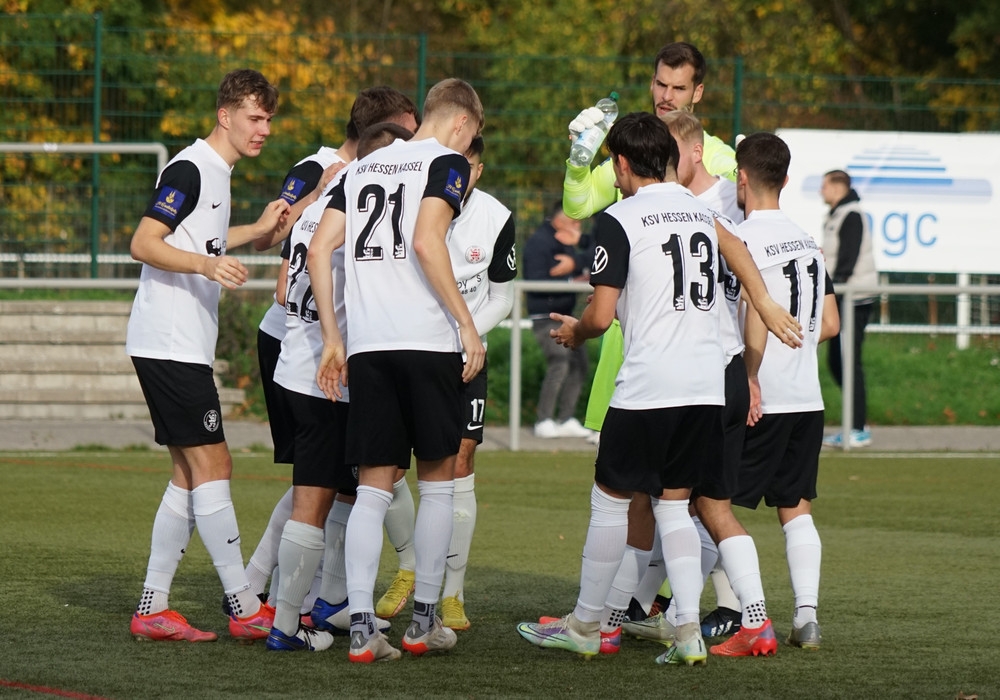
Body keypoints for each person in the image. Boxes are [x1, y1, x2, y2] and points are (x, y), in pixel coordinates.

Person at [517, 112, 724, 666]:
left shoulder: (620, 218)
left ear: (623, 163)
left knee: (609, 500)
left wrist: (576, 332)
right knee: (674, 507)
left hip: (651, 383)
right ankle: (687, 630)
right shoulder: (703, 213)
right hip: (706, 384)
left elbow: (602, 314)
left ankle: (586, 624)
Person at [307, 77, 485, 663]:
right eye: (472, 138)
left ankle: (362, 628)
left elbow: (318, 248)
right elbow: (428, 242)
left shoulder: (363, 167)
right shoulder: (446, 164)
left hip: (369, 347)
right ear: (462, 123)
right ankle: (423, 622)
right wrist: (466, 323)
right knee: (437, 483)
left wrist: (333, 338)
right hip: (426, 342)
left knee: (372, 489)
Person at [239, 87, 419, 612]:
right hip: (306, 346)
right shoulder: (331, 175)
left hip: (312, 345)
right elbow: (279, 258)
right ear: (384, 131)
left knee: (332, 481)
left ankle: (306, 596)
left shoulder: (353, 183)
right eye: (409, 131)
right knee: (325, 483)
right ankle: (291, 602)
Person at [125, 68, 290, 643]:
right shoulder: (190, 168)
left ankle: (153, 607)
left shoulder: (216, 172)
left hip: (178, 344)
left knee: (188, 474)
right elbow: (144, 242)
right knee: (215, 466)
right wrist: (205, 265)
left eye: (268, 118)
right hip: (170, 344)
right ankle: (244, 605)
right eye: (254, 117)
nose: (263, 128)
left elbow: (203, 239)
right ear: (225, 115)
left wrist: (258, 230)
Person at [375, 135, 517, 631]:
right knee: (389, 465)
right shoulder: (413, 200)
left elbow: (503, 297)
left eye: (470, 166)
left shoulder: (496, 217)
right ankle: (411, 566)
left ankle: (452, 593)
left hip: (464, 359)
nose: (463, 174)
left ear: (479, 168)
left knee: (458, 461)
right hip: (407, 352)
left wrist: (465, 335)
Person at [568, 42, 737, 445]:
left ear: (698, 92)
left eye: (679, 88)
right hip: (628, 336)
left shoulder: (717, 158)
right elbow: (579, 205)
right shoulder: (635, 150)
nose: (666, 96)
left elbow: (737, 243)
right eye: (661, 84)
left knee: (669, 474)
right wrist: (578, 159)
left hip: (692, 342)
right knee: (622, 471)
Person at [732, 132, 840, 652]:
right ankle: (807, 618)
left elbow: (752, 313)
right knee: (796, 509)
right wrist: (795, 342)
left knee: (709, 506)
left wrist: (752, 373)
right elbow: (831, 323)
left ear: (742, 178)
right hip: (807, 397)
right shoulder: (807, 241)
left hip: (763, 398)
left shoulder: (741, 239)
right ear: (786, 180)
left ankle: (735, 614)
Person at [523, 204, 592, 439]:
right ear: (560, 221)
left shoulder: (568, 243)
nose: (578, 227)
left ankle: (566, 417)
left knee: (580, 364)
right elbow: (536, 280)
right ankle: (543, 419)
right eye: (574, 222)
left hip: (567, 315)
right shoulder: (539, 243)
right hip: (546, 317)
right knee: (559, 362)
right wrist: (573, 282)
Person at [820, 169, 877, 448]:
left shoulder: (851, 215)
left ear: (837, 187)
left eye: (824, 186)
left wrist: (832, 291)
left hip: (853, 300)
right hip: (843, 298)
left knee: (848, 361)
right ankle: (853, 423)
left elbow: (846, 262)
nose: (821, 191)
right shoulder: (837, 215)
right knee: (837, 361)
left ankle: (856, 428)